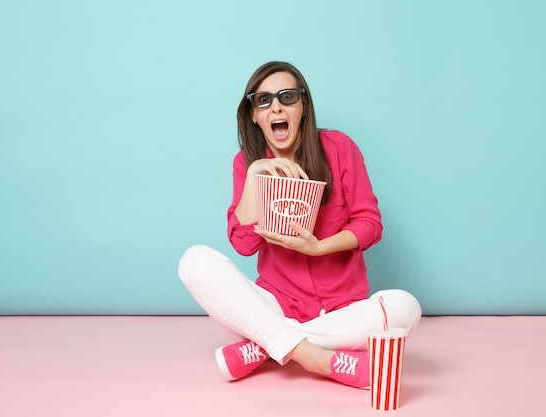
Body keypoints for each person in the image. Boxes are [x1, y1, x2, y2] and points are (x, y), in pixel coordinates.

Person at [178, 61, 421, 389]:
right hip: (273, 306)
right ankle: (316, 357)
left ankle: (265, 348)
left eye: (287, 96)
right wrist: (254, 175)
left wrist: (320, 246)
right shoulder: (246, 164)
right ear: (253, 114)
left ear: (303, 106)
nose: (276, 106)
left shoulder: (339, 148)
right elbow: (244, 245)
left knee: (406, 307)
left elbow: (370, 223)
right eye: (263, 100)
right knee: (195, 261)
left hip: (341, 313)